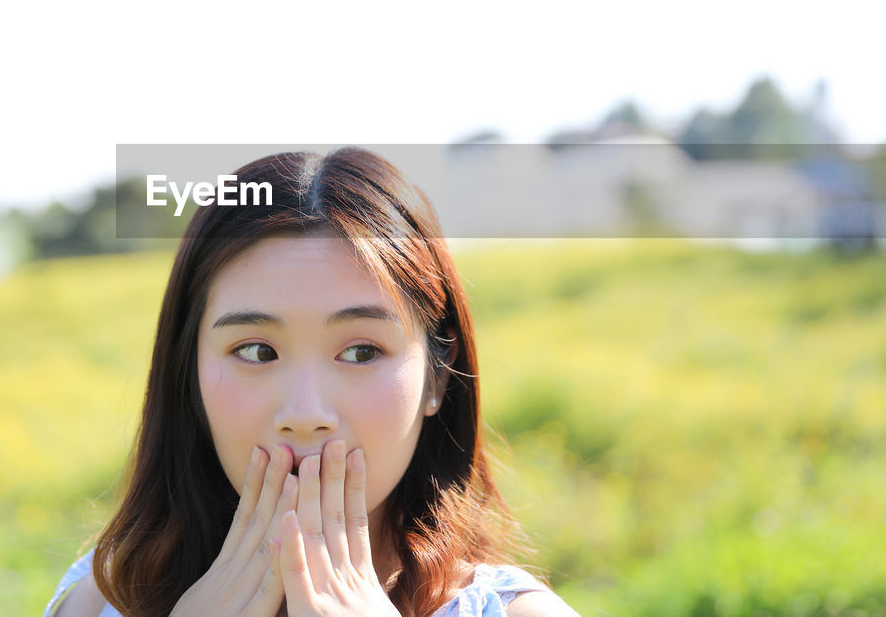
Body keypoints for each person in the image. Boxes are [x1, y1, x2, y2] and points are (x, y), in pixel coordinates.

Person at [44, 148, 580, 617]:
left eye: (361, 351)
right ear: (190, 376)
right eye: (255, 351)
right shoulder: (98, 601)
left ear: (437, 377)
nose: (304, 411)